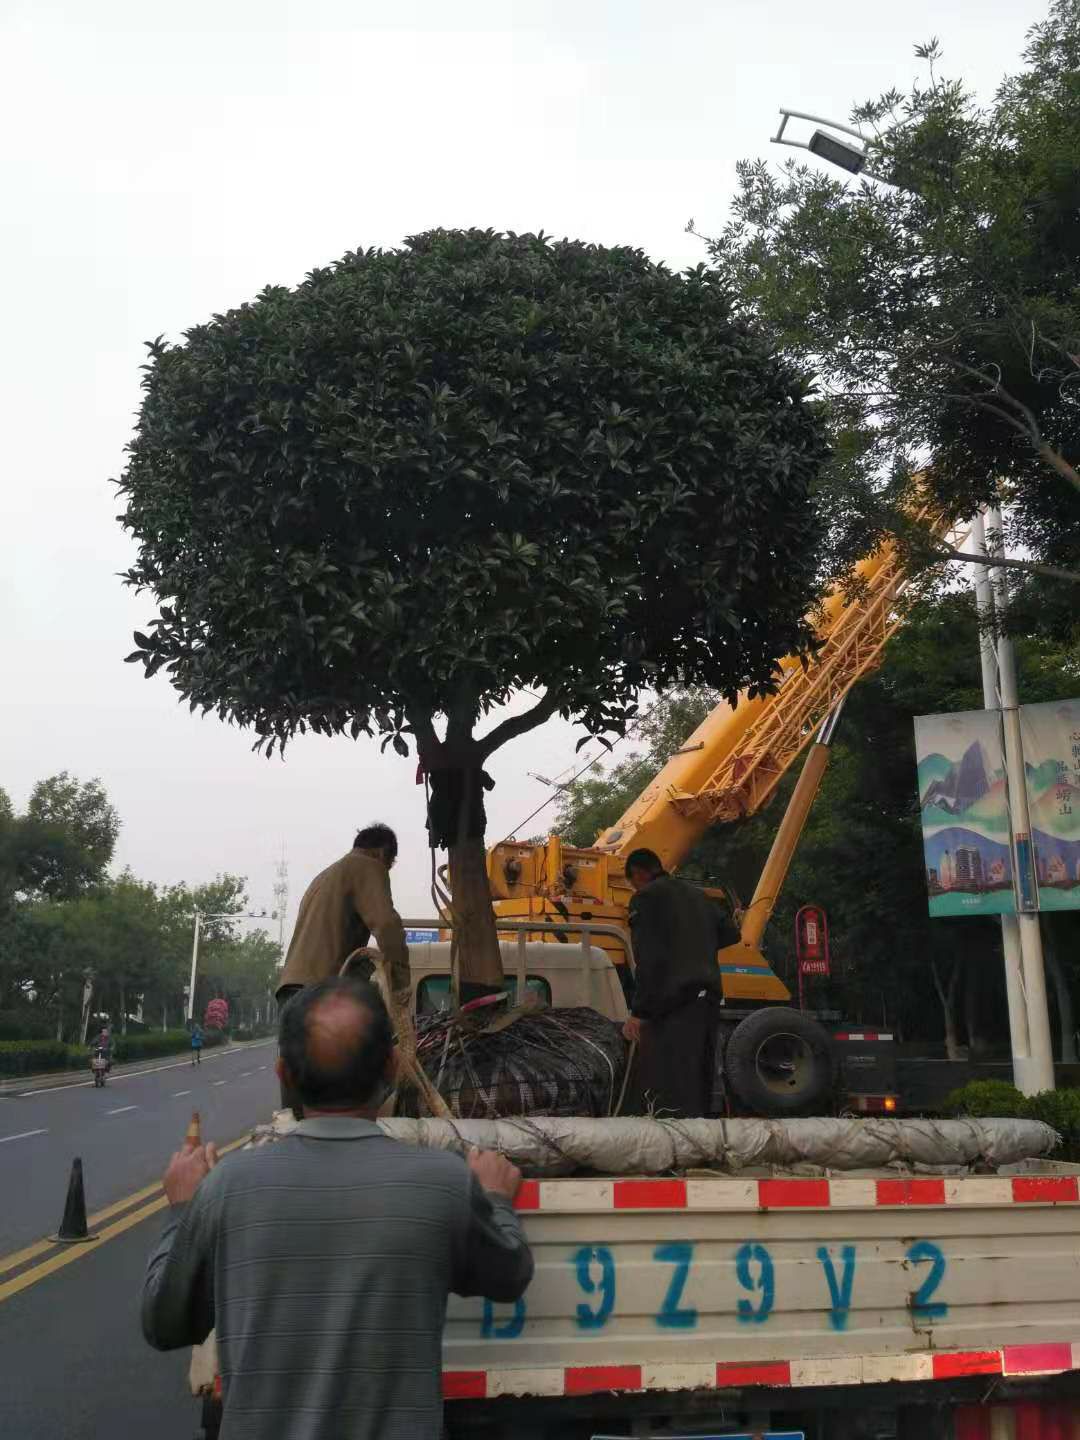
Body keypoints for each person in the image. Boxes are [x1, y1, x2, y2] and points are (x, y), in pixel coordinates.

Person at [142, 977, 533, 1440]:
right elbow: (508, 1276)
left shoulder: (227, 1187)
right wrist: (495, 1199)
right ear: (392, 1066)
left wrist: (182, 1208)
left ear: (283, 1074)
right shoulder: (443, 1182)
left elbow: (164, 1324)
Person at [276, 823, 409, 1115]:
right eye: (390, 865)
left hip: (290, 990)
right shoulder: (367, 866)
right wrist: (402, 987)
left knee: (298, 1107)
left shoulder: (324, 876)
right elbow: (387, 926)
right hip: (320, 996)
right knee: (351, 1090)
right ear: (384, 855)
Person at [621, 848, 739, 1118]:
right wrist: (697, 943)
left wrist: (639, 1012)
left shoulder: (646, 898)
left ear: (638, 873)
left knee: (671, 1088)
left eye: (632, 882)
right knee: (700, 1081)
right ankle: (701, 1147)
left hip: (675, 1004)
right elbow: (732, 933)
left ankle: (676, 1151)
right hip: (707, 1000)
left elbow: (647, 959)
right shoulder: (698, 896)